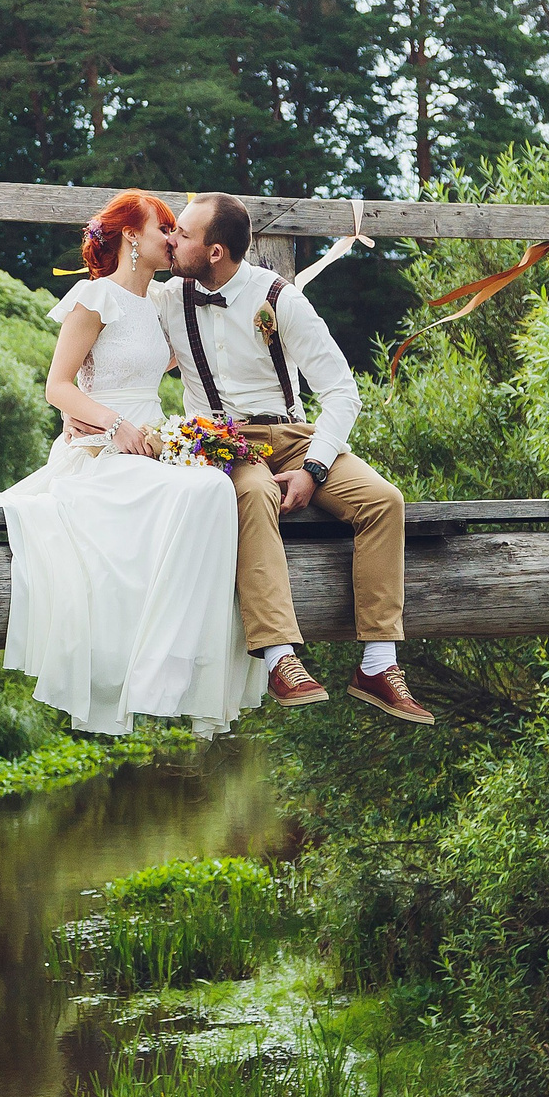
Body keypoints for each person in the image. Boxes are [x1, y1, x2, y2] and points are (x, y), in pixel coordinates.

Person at [142, 191, 433, 724]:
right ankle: (280, 657)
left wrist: (314, 468)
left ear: (215, 252)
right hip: (219, 437)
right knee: (253, 493)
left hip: (293, 433)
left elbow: (342, 391)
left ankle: (378, 663)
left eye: (182, 233)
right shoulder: (165, 300)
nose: (171, 239)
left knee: (384, 500)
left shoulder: (281, 298)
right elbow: (112, 313)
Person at [0, 192, 266, 737]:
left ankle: (178, 658)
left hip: (151, 447)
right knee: (205, 492)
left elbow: (195, 338)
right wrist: (108, 422)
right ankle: (156, 667)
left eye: (176, 228)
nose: (172, 236)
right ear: (131, 237)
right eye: (162, 226)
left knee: (214, 488)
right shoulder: (95, 297)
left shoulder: (162, 302)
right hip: (100, 453)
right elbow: (57, 386)